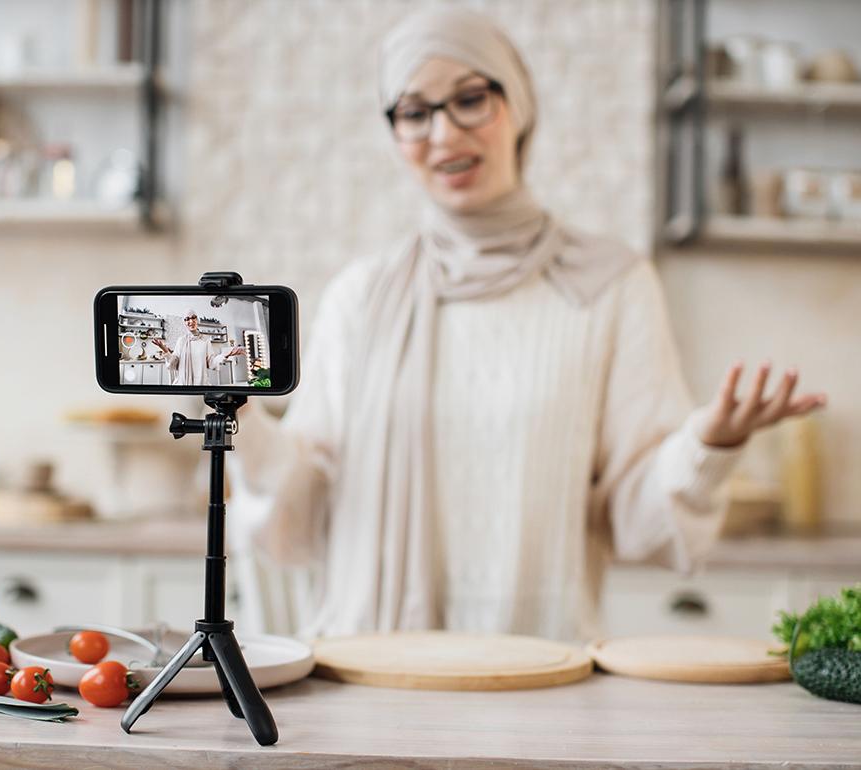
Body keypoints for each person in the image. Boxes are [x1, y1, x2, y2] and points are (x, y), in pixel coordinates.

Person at [229, 8, 826, 641]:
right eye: (414, 112)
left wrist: (707, 447)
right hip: (371, 675)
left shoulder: (609, 287)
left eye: (469, 99)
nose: (444, 133)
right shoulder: (360, 296)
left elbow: (638, 519)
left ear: (519, 107)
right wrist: (233, 415)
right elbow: (303, 513)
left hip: (541, 678)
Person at [152, 310, 245, 386]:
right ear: (185, 323)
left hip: (201, 385)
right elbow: (174, 362)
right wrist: (164, 349)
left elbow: (211, 362)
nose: (191, 321)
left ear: (197, 320)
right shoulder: (181, 340)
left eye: (193, 317)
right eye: (187, 319)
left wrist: (227, 354)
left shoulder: (205, 340)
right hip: (183, 385)